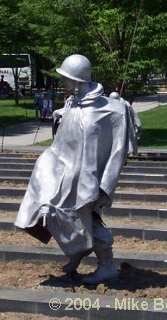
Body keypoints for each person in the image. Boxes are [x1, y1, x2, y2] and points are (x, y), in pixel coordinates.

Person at [14, 54, 129, 284]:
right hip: (59, 168)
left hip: (83, 175)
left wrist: (106, 185)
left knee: (80, 215)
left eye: (66, 78)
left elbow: (117, 150)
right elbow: (70, 128)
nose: (63, 82)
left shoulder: (108, 110)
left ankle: (107, 265)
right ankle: (77, 251)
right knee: (48, 209)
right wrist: (61, 115)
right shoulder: (73, 103)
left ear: (76, 80)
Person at [109, 91, 141, 156]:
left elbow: (133, 115)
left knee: (128, 137)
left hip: (127, 125)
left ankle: (131, 152)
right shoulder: (111, 105)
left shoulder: (126, 105)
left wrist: (137, 124)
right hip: (116, 126)